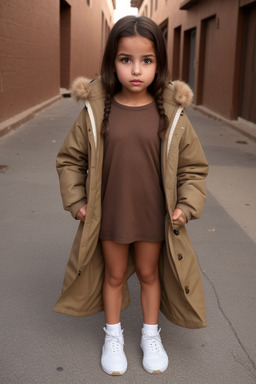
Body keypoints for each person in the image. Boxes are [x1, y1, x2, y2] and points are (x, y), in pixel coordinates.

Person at [54, 16, 208, 376]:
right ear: (112, 61)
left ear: (159, 63)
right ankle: (113, 336)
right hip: (111, 214)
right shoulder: (95, 110)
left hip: (156, 214)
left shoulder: (172, 112)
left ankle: (150, 335)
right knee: (114, 274)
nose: (136, 70)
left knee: (150, 273)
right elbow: (70, 159)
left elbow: (193, 167)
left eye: (147, 60)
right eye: (126, 60)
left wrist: (186, 206)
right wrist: (77, 203)